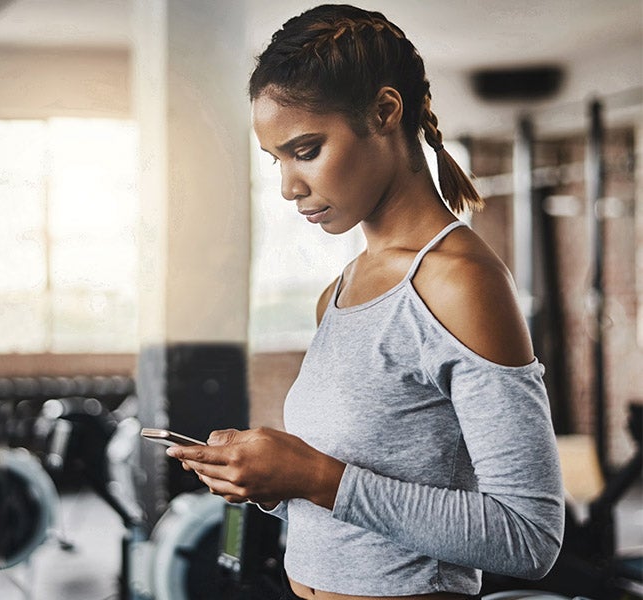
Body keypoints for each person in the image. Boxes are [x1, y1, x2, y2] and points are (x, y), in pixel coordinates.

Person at [166, 5, 564, 600]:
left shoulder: (460, 281)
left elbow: (529, 538)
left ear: (384, 112)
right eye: (276, 160)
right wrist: (272, 483)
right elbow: (354, 513)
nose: (288, 187)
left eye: (306, 150)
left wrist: (314, 476)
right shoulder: (340, 291)